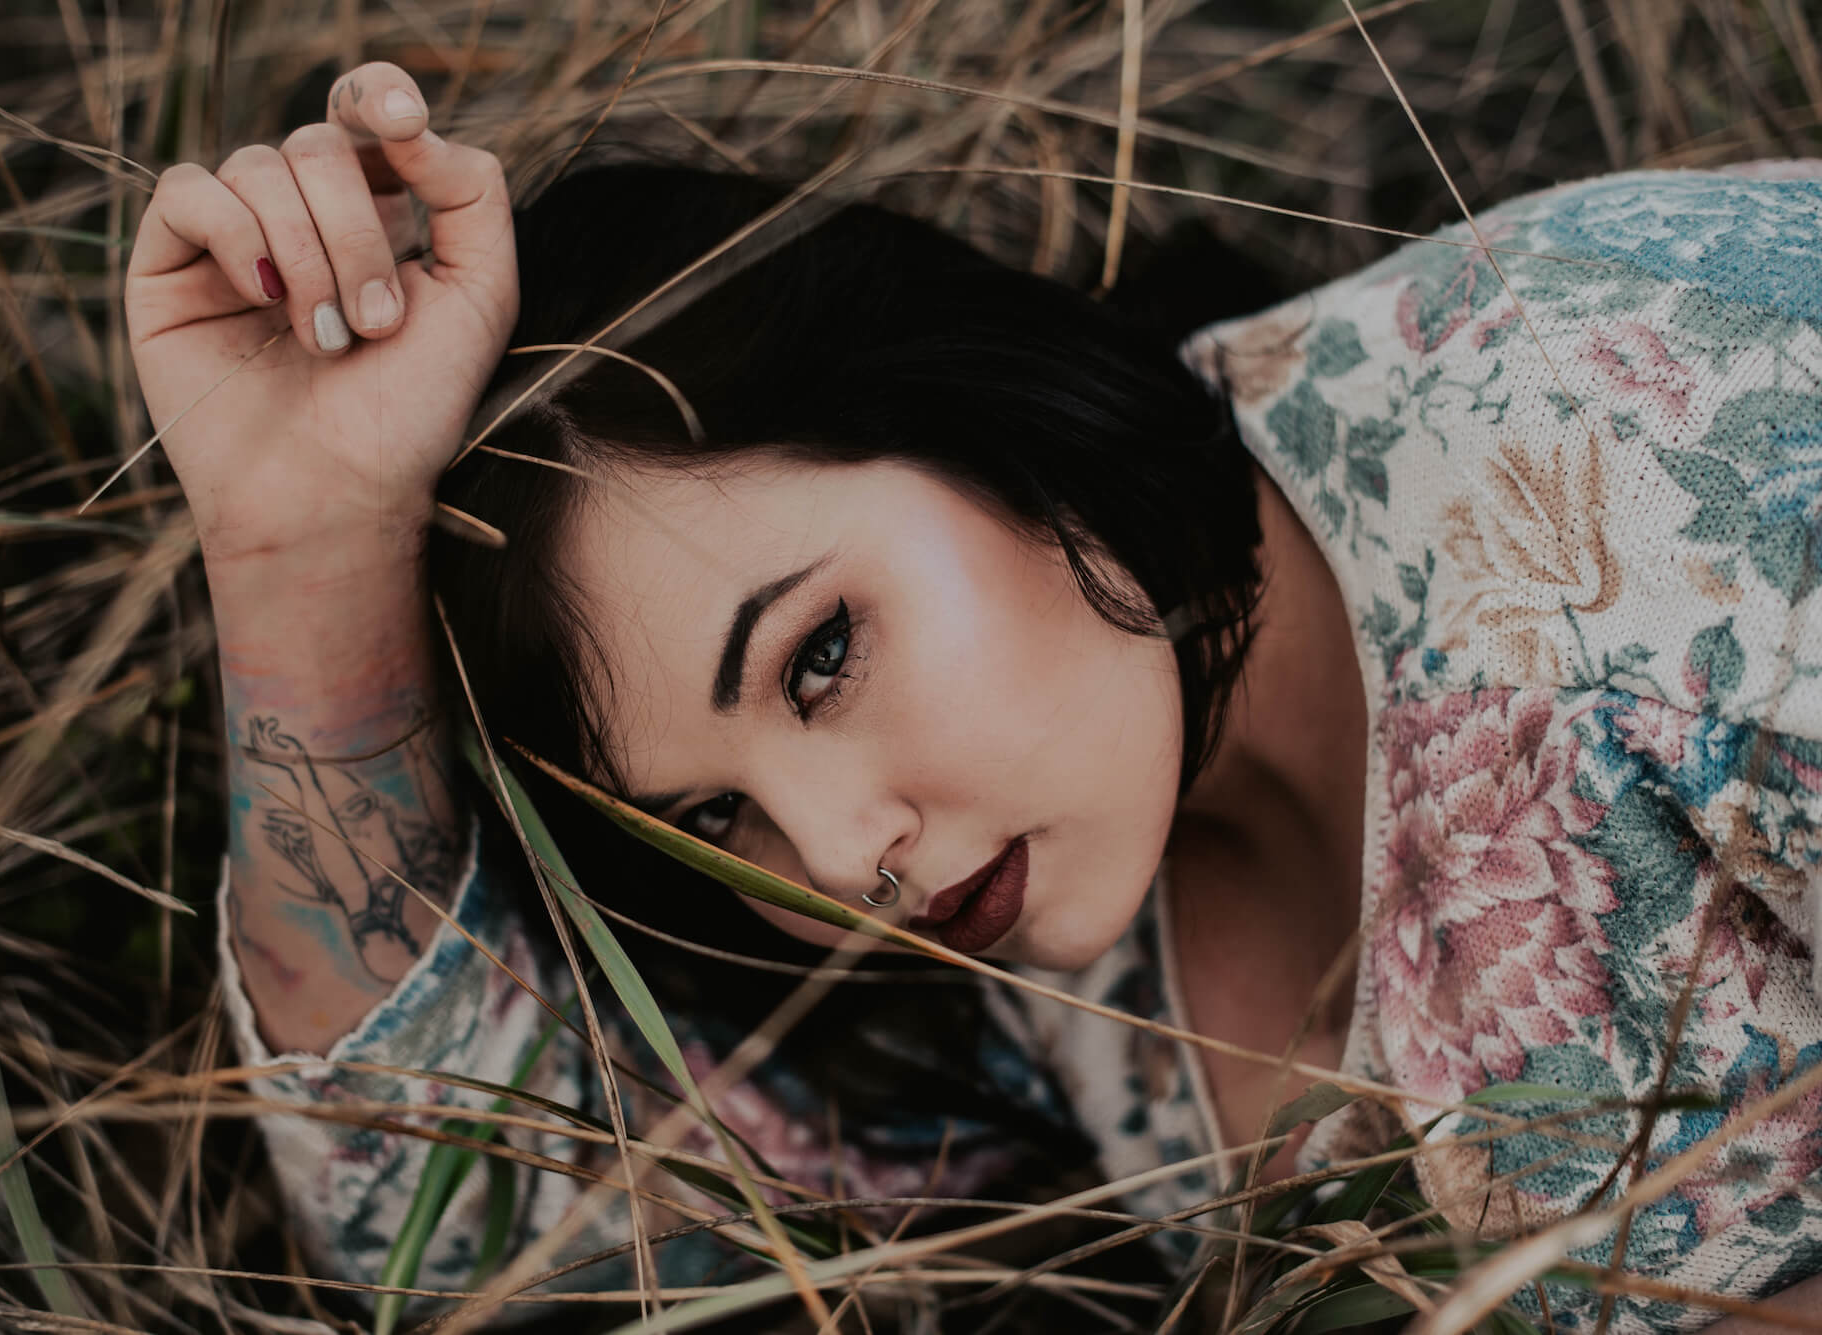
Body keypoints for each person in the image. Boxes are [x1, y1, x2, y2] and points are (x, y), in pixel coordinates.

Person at [124, 60, 1822, 1332]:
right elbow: (528, 1248)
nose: (841, 856)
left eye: (820, 656)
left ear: (965, 411)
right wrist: (302, 555)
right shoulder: (1030, 977)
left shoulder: (1658, 455)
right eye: (715, 816)